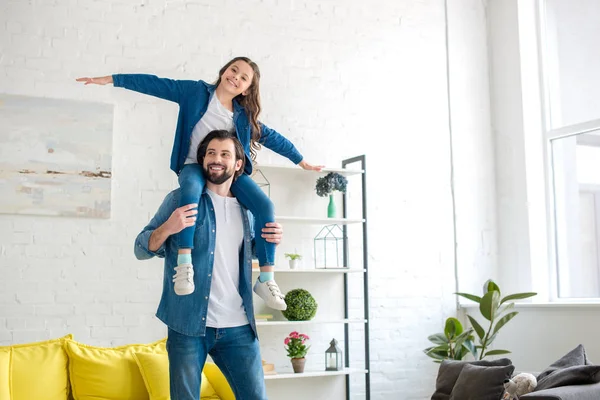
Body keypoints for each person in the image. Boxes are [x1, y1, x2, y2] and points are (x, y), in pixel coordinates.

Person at [77, 56, 323, 311]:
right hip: (194, 165)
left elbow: (273, 138)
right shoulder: (195, 92)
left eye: (243, 78)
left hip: (229, 172)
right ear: (224, 70)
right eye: (233, 70)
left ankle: (266, 279)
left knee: (265, 207)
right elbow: (157, 84)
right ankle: (185, 263)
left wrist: (301, 161)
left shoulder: (242, 117)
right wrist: (113, 80)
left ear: (247, 88)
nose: (235, 77)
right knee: (191, 192)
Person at [134, 130, 280, 400]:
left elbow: (249, 256)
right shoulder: (180, 200)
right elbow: (140, 248)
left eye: (225, 154)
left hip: (238, 326)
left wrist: (271, 241)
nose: (216, 159)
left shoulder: (249, 210)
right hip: (188, 325)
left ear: (238, 164)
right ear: (202, 159)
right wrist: (168, 227)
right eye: (211, 153)